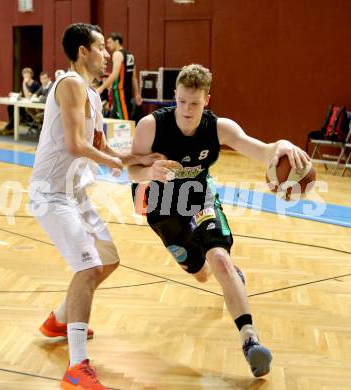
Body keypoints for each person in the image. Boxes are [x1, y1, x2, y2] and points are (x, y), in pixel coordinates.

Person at [128, 64, 311, 378]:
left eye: (195, 103)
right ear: (174, 96)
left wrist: (279, 145)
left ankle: (250, 340)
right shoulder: (150, 125)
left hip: (200, 197)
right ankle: (220, 272)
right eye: (182, 101)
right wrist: (148, 173)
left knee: (220, 261)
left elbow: (262, 150)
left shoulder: (218, 128)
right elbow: (132, 169)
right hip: (162, 206)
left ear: (206, 100)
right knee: (201, 274)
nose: (187, 110)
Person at [29, 23, 163, 390]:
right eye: (101, 47)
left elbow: (102, 147)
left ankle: (59, 319)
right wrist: (120, 165)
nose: (107, 53)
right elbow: (74, 145)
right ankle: (76, 367)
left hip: (75, 195)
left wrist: (138, 159)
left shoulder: (91, 95)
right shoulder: (70, 84)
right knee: (88, 268)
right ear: (83, 52)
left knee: (108, 260)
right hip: (51, 194)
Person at [97, 32, 142, 120]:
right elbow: (134, 77)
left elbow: (115, 74)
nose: (108, 45)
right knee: (113, 117)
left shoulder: (117, 54)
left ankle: (128, 133)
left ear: (116, 41)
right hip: (127, 91)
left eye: (109, 42)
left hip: (120, 91)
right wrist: (137, 94)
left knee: (124, 119)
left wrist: (101, 88)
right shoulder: (130, 55)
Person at [0, 67, 40, 135]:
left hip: (30, 107)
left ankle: (9, 127)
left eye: (27, 74)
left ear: (31, 75)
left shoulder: (35, 84)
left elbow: (27, 95)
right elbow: (21, 94)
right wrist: (14, 95)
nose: (25, 76)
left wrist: (23, 84)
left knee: (16, 108)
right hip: (23, 104)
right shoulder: (25, 84)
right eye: (24, 74)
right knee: (10, 107)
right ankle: (11, 126)